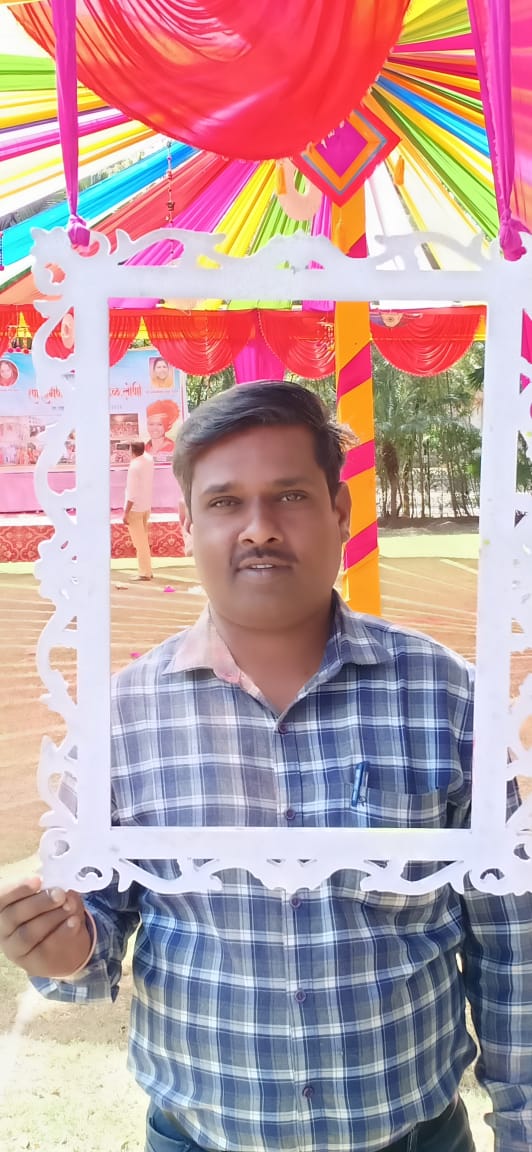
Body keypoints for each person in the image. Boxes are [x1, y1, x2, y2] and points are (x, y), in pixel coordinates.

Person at [0, 381, 531, 1152]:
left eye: (289, 496)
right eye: (225, 502)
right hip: (197, 1135)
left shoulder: (448, 698)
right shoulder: (120, 718)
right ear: (187, 525)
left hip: (416, 1133)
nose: (259, 529)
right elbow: (94, 937)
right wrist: (61, 946)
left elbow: (512, 945)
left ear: (340, 513)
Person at [123, 440, 154, 581]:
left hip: (135, 509)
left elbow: (132, 494)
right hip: (146, 506)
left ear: (132, 451)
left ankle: (144, 573)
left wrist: (126, 513)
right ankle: (147, 570)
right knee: (143, 541)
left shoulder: (134, 467)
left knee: (140, 544)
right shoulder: (148, 459)